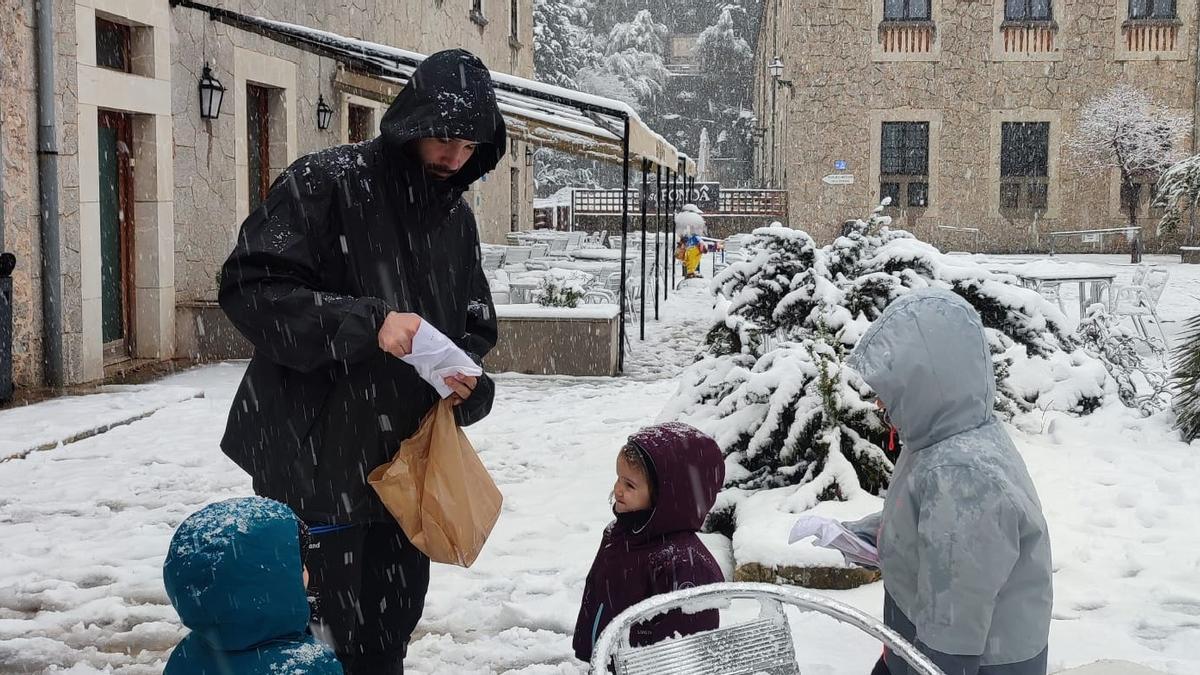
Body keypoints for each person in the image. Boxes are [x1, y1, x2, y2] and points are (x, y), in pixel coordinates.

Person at [217, 49, 505, 674]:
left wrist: (469, 385)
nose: (457, 157)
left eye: (471, 144)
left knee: (387, 639)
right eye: (447, 138)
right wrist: (366, 323)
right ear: (413, 121)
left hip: (405, 472)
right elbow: (250, 289)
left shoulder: (455, 219)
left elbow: (474, 324)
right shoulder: (324, 184)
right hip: (312, 462)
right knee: (314, 645)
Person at [843, 289, 1053, 675]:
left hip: (966, 662)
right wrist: (877, 532)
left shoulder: (963, 474)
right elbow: (931, 521)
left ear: (926, 382)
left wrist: (922, 665)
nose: (878, 404)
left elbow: (954, 626)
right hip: (914, 642)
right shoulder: (938, 436)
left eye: (889, 390)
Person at [573, 422, 726, 664]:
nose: (618, 490)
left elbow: (686, 644)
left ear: (665, 496)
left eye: (630, 485)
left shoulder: (684, 563)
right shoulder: (621, 533)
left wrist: (632, 659)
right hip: (610, 661)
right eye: (619, 479)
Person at [162, 497, 342, 675]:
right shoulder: (307, 665)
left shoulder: (187, 655)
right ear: (275, 585)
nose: (307, 572)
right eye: (300, 567)